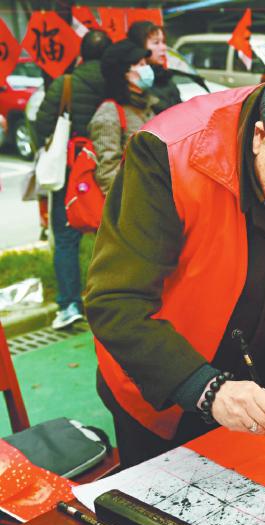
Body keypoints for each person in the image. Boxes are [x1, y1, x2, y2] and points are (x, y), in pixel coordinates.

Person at [84, 60, 265, 467]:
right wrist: (206, 389)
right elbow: (115, 300)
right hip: (167, 373)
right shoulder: (166, 155)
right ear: (260, 137)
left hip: (261, 375)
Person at [35, 29, 111, 330]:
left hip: (72, 173)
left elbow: (42, 124)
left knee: (66, 237)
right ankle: (111, 299)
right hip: (109, 168)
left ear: (81, 54)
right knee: (111, 235)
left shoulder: (65, 83)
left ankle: (69, 305)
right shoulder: (117, 83)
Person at [89, 40, 157, 195]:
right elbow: (106, 172)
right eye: (139, 64)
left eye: (145, 63)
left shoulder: (147, 105)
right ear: (123, 72)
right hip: (132, 200)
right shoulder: (109, 113)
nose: (146, 68)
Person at [127, 21, 181, 113]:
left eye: (163, 42)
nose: (163, 47)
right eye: (156, 43)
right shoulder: (139, 81)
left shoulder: (165, 76)